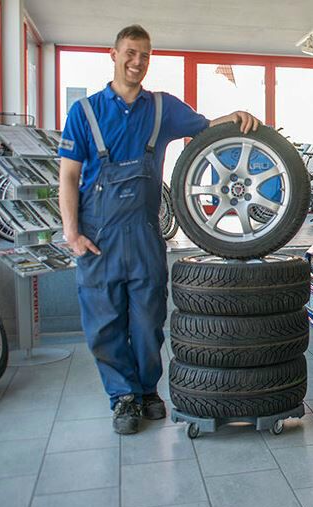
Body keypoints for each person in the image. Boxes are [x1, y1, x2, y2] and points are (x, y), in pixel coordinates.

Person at [58, 25, 260, 434]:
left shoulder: (162, 108)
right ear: (113, 54)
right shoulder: (85, 112)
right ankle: (123, 397)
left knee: (149, 323)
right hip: (98, 239)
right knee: (104, 325)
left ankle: (148, 391)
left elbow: (206, 127)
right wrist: (72, 233)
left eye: (145, 55)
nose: (137, 62)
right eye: (130, 53)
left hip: (145, 234)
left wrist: (235, 116)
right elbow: (68, 177)